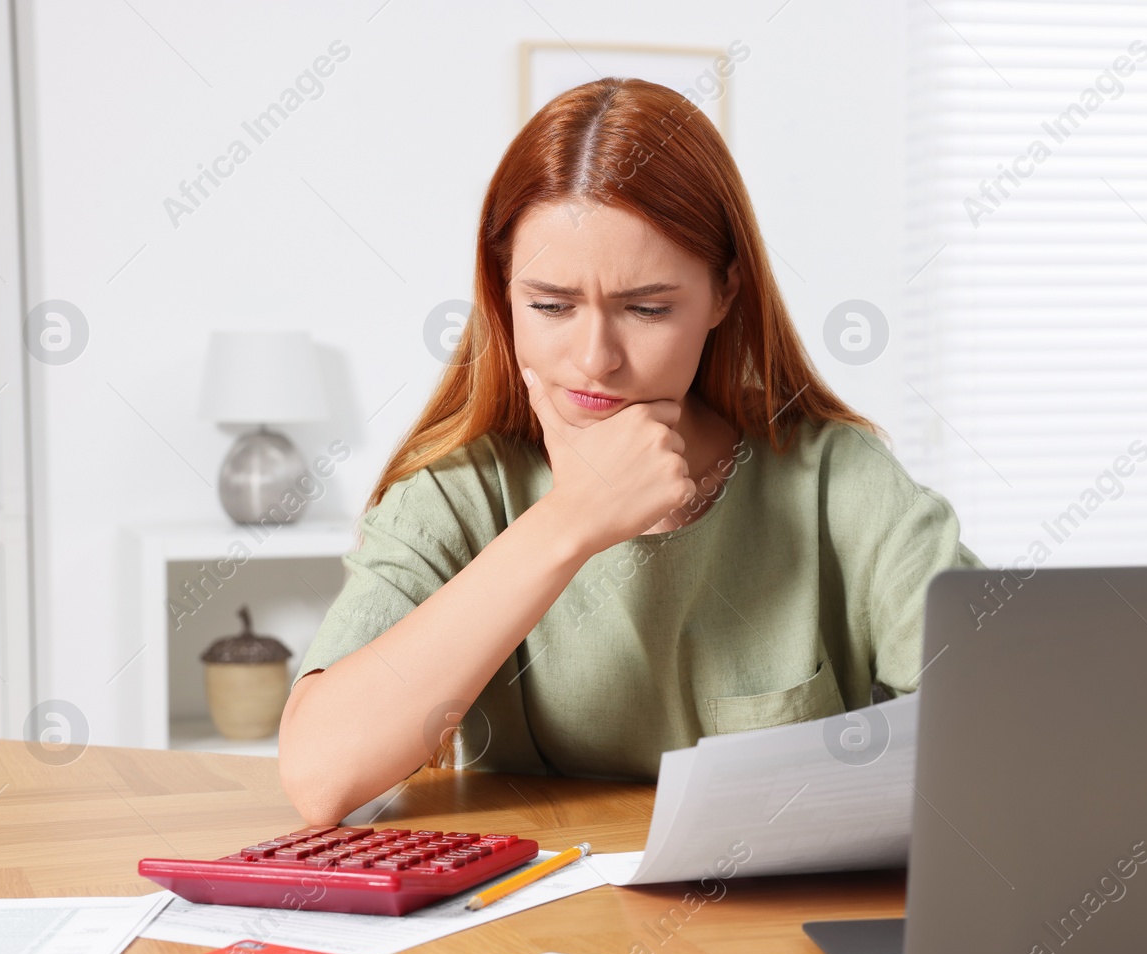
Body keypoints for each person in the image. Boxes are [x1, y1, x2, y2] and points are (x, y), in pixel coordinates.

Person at [279, 77, 982, 826]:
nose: (594, 358)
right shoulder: (459, 496)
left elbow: (1006, 737)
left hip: (765, 935)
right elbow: (323, 773)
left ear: (724, 293)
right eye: (550, 305)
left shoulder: (840, 483)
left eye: (646, 308)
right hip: (531, 935)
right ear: (501, 292)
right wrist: (572, 518)